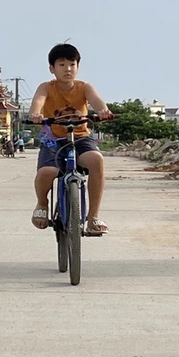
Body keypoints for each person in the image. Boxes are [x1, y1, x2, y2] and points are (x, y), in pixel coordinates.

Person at [28, 43, 113, 236]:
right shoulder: (46, 87)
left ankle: (93, 217)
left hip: (80, 138)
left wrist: (103, 111)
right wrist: (35, 114)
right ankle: (42, 203)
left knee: (96, 160)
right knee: (47, 172)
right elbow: (38, 102)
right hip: (53, 140)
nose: (67, 68)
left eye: (72, 64)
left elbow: (97, 101)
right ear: (52, 68)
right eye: (61, 64)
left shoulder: (84, 87)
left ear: (77, 67)